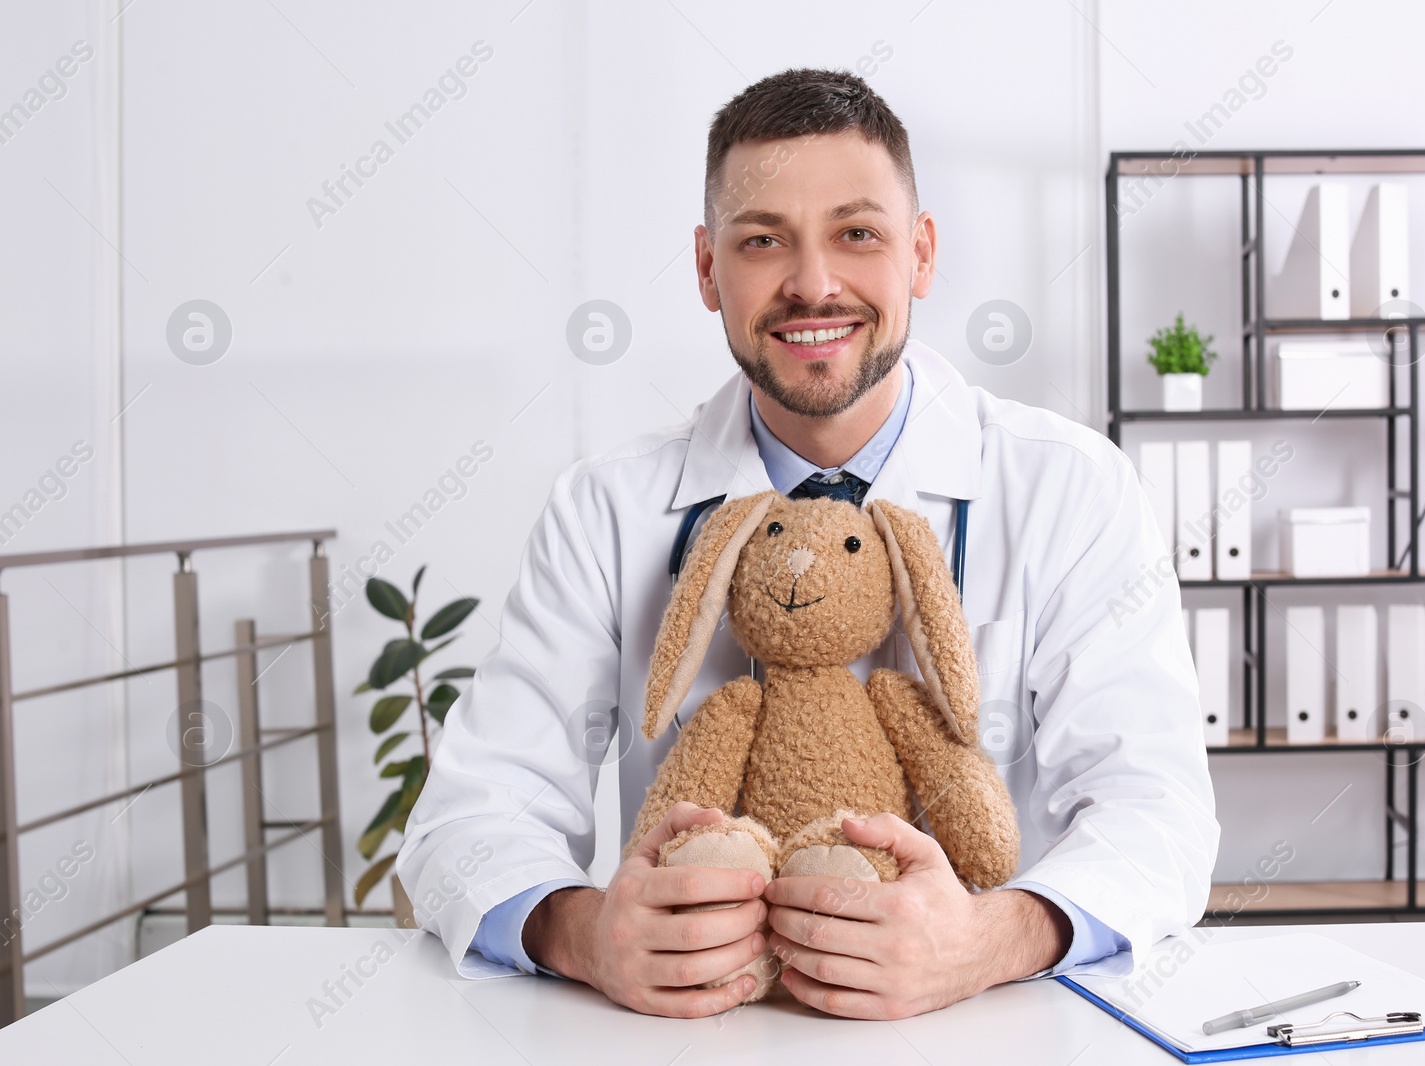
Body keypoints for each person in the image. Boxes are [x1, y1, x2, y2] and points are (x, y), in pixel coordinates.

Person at [397, 67, 1218, 1022]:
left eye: (856, 234)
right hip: (696, 1034)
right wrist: (583, 933)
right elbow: (471, 810)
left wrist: (986, 941)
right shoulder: (604, 508)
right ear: (709, 270)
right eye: (763, 241)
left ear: (920, 254)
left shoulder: (1072, 486)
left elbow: (1154, 809)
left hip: (996, 1025)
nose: (814, 283)